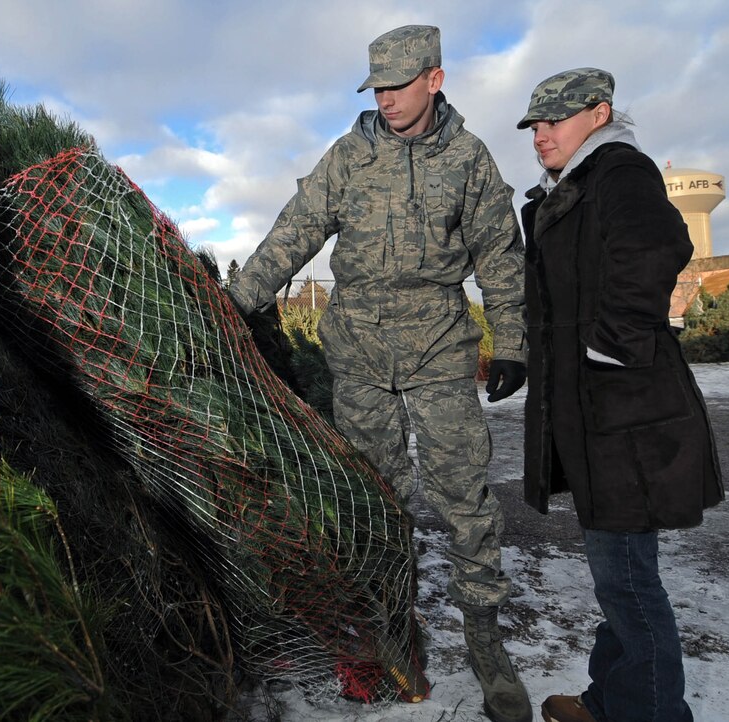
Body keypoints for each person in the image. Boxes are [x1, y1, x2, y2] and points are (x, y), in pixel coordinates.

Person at [229, 25, 531, 722]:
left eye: (399, 85)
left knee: (464, 500)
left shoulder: (469, 158)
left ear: (435, 79)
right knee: (376, 502)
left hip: (438, 348)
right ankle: (391, 633)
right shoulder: (349, 157)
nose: (386, 99)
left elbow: (500, 255)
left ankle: (487, 646)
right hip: (359, 353)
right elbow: (293, 233)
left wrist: (510, 341)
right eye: (377, 88)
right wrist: (237, 302)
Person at [515, 67, 725, 722]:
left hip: (623, 418)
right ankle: (612, 700)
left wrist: (613, 343)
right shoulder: (575, 188)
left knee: (630, 586)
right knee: (620, 581)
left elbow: (660, 242)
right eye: (534, 124)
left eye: (554, 119)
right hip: (594, 416)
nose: (540, 133)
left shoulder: (619, 172)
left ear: (599, 115)